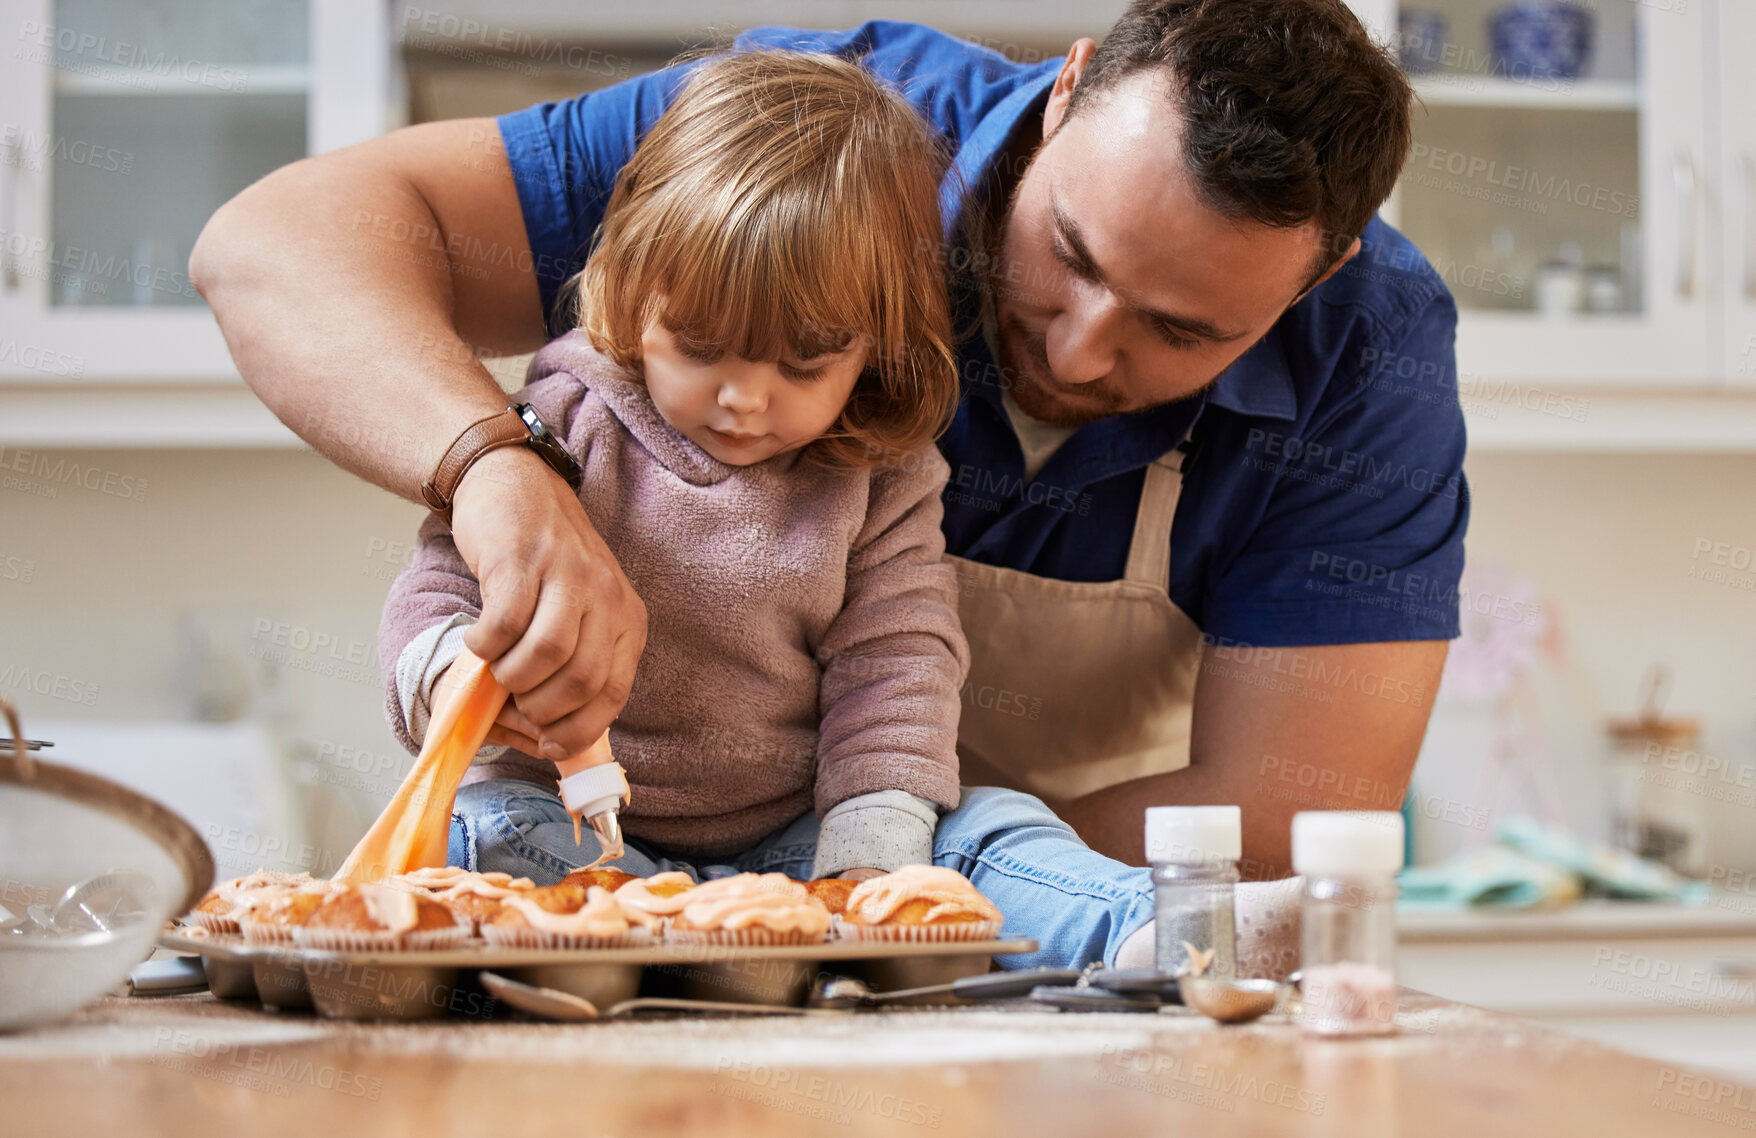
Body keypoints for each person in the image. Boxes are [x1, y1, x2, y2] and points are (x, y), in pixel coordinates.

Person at [193, 0, 1464, 889]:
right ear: (1067, 88)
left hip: (1030, 964)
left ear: (1325, 269)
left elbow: (1294, 800)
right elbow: (270, 245)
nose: (1079, 354)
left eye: (1180, 331)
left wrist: (887, 891)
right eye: (1067, 255)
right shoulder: (804, 146)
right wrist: (493, 466)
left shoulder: (1369, 349)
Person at [378, 48, 1170, 972]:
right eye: (702, 345)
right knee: (476, 834)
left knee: (993, 828)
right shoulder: (554, 427)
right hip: (571, 833)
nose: (745, 399)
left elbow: (896, 665)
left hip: (791, 855)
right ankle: (649, 943)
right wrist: (450, 679)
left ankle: (1151, 925)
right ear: (635, 294)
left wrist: (869, 866)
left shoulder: (882, 478)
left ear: (875, 349)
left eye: (804, 365)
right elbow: (433, 597)